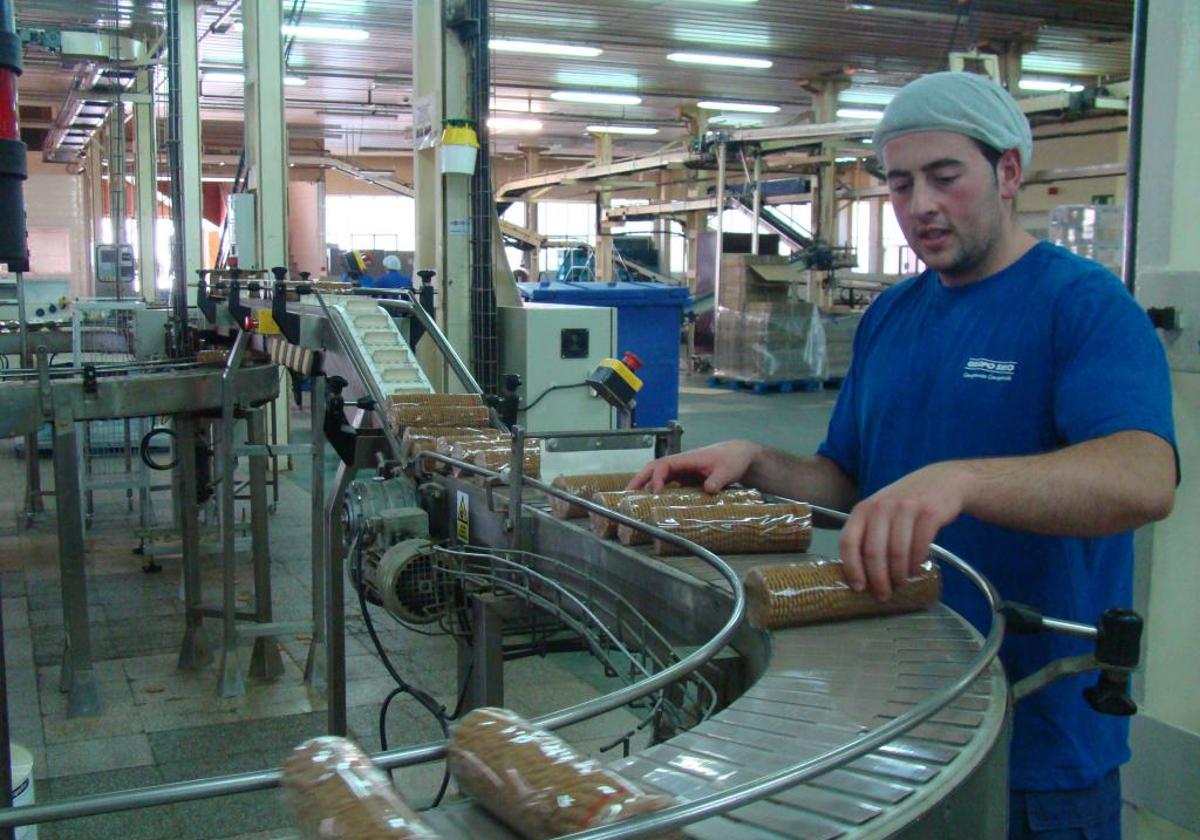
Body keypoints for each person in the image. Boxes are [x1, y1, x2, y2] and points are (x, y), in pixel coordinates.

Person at [631, 71, 1177, 839]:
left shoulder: (1082, 307)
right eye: (900, 184)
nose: (921, 206)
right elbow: (850, 482)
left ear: (1009, 172)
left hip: (1037, 735)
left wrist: (963, 480)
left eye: (945, 177)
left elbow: (1144, 476)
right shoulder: (893, 315)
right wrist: (756, 460)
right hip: (895, 712)